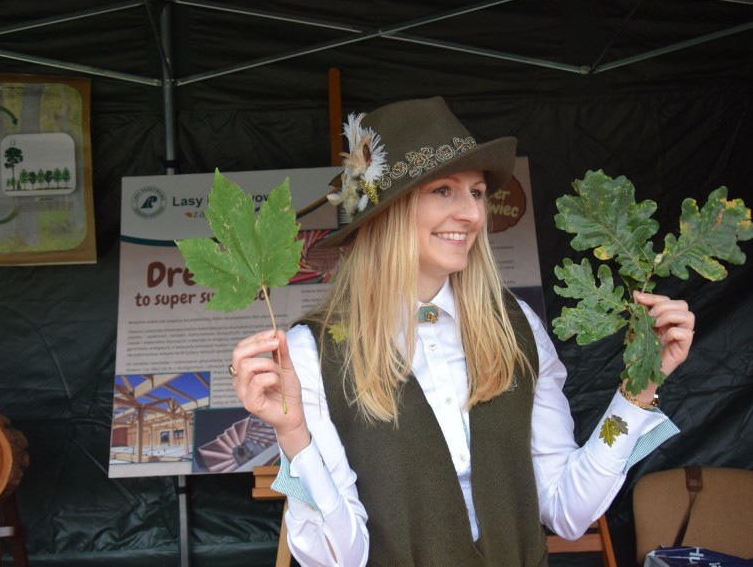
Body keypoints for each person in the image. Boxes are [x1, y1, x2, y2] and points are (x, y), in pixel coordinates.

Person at [230, 96, 695, 566]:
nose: (472, 214)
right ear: (385, 213)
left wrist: (639, 390)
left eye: (476, 192)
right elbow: (339, 557)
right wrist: (293, 437)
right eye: (444, 191)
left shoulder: (515, 328)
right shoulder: (314, 351)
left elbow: (567, 510)